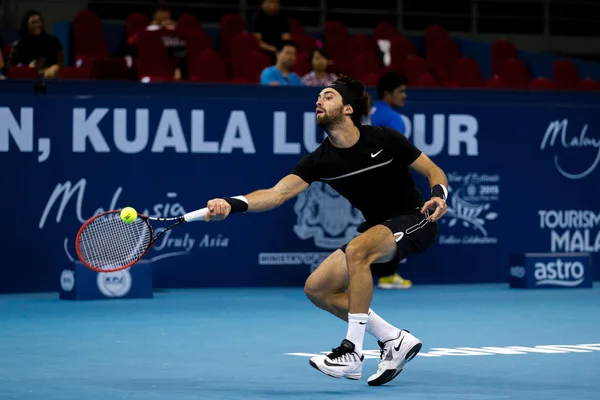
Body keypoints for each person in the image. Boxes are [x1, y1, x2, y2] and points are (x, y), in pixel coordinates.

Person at [203, 75, 448, 386]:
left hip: (415, 220)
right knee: (317, 288)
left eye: (328, 96)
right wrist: (230, 203)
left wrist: (439, 193)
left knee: (358, 251)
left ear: (347, 109)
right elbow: (277, 193)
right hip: (377, 228)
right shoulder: (321, 160)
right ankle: (392, 338)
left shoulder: (384, 139)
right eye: (318, 97)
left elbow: (432, 169)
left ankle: (352, 353)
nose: (318, 101)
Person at [369, 71, 412, 289]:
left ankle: (369, 273)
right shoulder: (395, 119)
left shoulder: (367, 112)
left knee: (376, 228)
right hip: (386, 181)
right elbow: (397, 155)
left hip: (362, 181)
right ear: (387, 94)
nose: (405, 96)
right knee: (393, 228)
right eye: (401, 92)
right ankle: (387, 274)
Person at [6, 10, 64, 79]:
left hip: (49, 79)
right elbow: (9, 68)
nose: (37, 25)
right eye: (33, 23)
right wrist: (26, 69)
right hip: (26, 80)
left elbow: (61, 63)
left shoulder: (53, 42)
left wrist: (54, 69)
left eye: (39, 21)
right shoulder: (19, 46)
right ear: (26, 26)